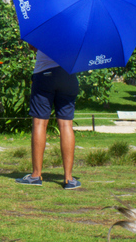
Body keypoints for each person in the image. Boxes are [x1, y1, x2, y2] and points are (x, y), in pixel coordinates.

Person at [16, 48, 81, 190]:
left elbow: (32, 45)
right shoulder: (74, 27)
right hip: (68, 75)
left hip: (44, 74)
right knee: (66, 125)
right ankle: (69, 179)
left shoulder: (43, 25)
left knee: (39, 123)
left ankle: (36, 175)